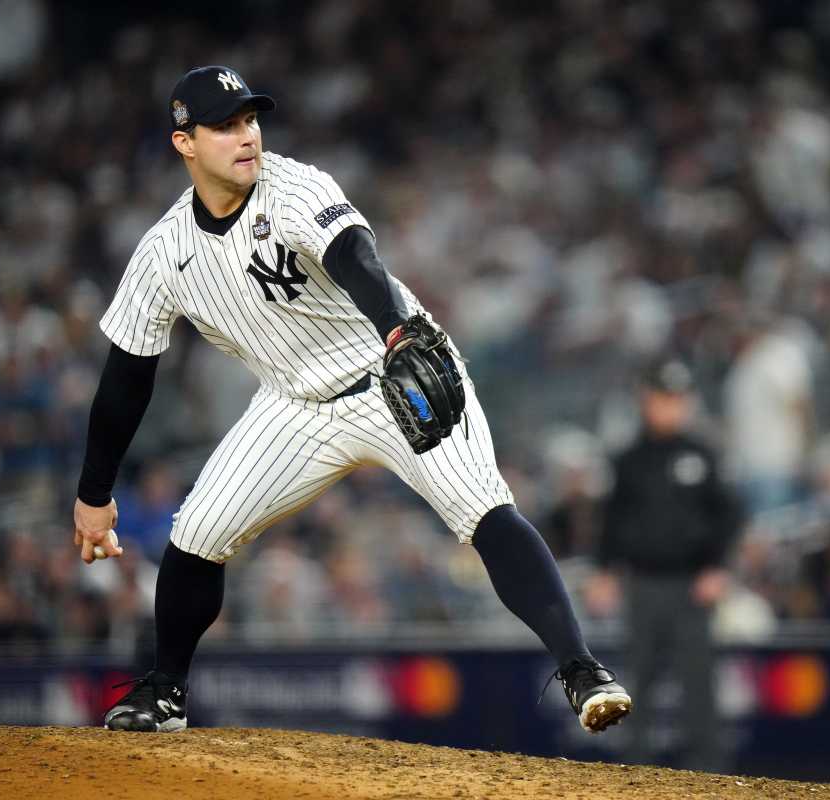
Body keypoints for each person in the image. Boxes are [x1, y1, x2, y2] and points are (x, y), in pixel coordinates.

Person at [72, 66, 630, 734]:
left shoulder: (294, 187)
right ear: (184, 143)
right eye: (224, 126)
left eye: (250, 119)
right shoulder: (164, 252)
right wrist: (94, 493)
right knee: (197, 535)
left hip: (392, 373)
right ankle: (165, 691)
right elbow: (127, 376)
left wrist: (397, 332)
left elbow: (356, 259)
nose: (246, 136)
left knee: (483, 508)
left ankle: (581, 669)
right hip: (293, 405)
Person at [586, 358, 740, 769]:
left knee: (698, 683)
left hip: (691, 585)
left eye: (677, 399)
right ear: (646, 400)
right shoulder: (629, 460)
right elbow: (613, 521)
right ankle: (634, 772)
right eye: (662, 398)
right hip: (642, 584)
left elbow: (727, 516)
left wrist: (718, 567)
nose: (670, 407)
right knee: (638, 682)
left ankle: (709, 775)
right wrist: (604, 572)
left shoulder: (702, 455)